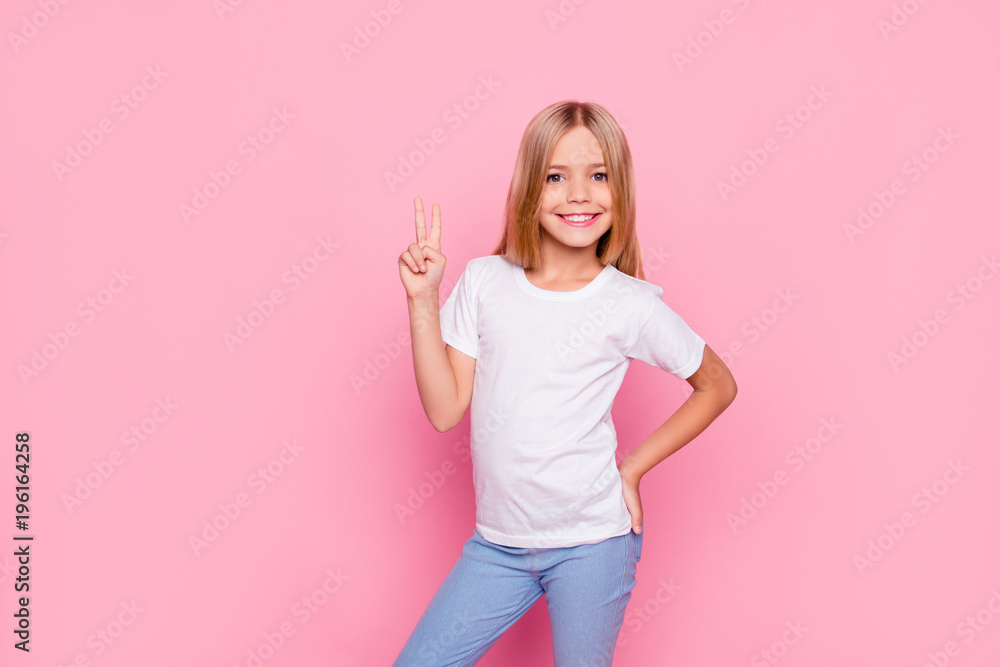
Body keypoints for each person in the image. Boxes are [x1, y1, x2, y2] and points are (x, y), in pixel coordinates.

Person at [394, 100, 737, 666]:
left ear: (619, 190)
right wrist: (424, 299)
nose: (579, 193)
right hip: (498, 547)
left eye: (598, 176)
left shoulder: (629, 304)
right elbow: (445, 409)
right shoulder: (485, 282)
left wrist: (631, 469)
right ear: (530, 188)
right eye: (557, 176)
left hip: (592, 544)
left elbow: (717, 385)